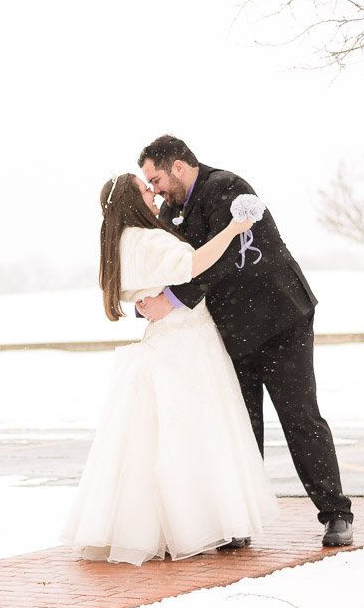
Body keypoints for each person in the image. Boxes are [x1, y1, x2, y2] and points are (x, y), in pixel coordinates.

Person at [136, 134, 353, 547]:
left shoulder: (227, 188)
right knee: (241, 425)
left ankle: (336, 513)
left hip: (280, 318)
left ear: (178, 167)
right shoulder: (170, 209)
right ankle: (240, 521)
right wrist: (144, 298)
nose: (156, 189)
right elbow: (168, 260)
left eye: (157, 179)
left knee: (300, 417)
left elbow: (226, 253)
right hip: (231, 331)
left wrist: (173, 299)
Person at [60, 173, 279, 565]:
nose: (155, 193)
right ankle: (199, 523)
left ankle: (164, 525)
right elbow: (193, 265)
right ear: (131, 199)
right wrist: (234, 229)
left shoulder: (121, 242)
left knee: (159, 440)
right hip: (187, 341)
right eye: (146, 189)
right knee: (196, 435)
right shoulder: (147, 239)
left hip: (163, 339)